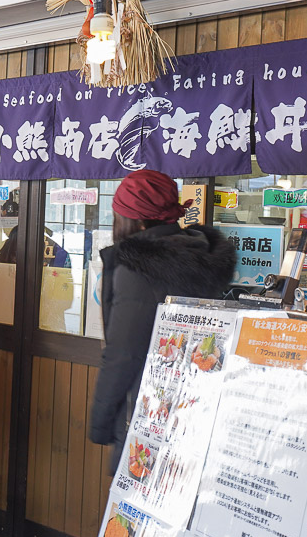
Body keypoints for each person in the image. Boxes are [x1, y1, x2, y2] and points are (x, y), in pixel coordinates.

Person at [89, 170, 236, 472]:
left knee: (132, 506)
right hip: (195, 415)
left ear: (138, 221)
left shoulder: (137, 270)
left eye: (120, 215)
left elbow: (123, 355)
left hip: (147, 415)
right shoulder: (201, 256)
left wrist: (101, 422)